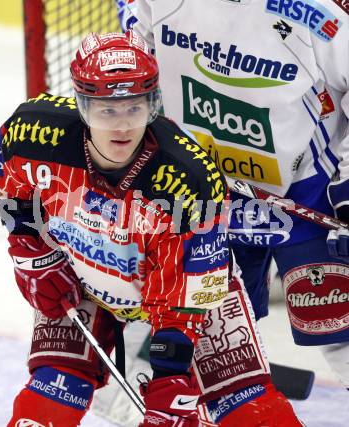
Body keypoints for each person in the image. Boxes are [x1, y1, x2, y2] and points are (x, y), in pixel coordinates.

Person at [0, 31, 302, 426]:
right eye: (106, 110)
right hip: (77, 270)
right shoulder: (31, 133)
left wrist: (171, 378)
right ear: (82, 105)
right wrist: (33, 253)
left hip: (191, 294)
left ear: (152, 104)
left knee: (244, 402)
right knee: (55, 385)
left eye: (134, 108)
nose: (122, 126)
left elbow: (188, 290)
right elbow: (6, 182)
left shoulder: (188, 180)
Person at [123, 0, 349, 402]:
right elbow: (129, 69)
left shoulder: (324, 12)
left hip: (307, 194)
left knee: (339, 332)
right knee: (210, 335)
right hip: (202, 194)